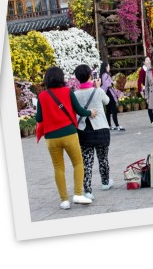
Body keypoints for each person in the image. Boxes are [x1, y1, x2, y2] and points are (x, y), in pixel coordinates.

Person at [36, 66, 96, 210]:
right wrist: (90, 112)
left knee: (58, 167)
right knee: (78, 163)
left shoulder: (42, 96)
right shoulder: (67, 92)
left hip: (51, 138)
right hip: (69, 133)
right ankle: (77, 194)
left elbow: (39, 118)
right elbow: (79, 110)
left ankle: (64, 200)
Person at [73, 64, 112, 200]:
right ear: (90, 76)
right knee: (103, 158)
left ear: (77, 78)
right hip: (101, 128)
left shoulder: (75, 94)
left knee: (87, 162)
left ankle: (88, 190)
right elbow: (107, 101)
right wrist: (98, 87)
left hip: (84, 130)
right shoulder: (98, 91)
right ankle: (105, 182)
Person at [100, 62, 124, 131]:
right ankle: (117, 125)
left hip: (106, 94)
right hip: (109, 93)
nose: (109, 68)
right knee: (114, 110)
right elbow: (107, 85)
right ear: (105, 67)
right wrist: (113, 83)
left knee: (108, 110)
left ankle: (109, 125)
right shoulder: (105, 75)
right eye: (108, 66)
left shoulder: (102, 75)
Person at [138, 56, 153, 127]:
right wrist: (140, 90)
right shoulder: (142, 70)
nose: (148, 61)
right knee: (149, 105)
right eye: (147, 60)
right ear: (144, 62)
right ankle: (152, 121)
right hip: (147, 89)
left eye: (149, 60)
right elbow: (139, 81)